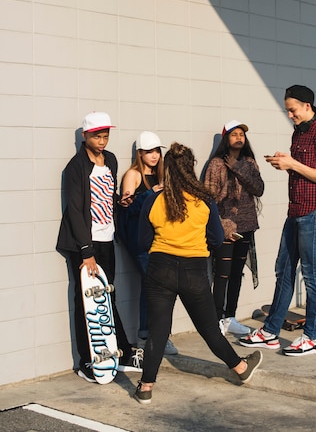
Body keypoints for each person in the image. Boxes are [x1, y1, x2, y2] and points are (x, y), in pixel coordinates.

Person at [133, 142, 263, 405]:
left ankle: (146, 387)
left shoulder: (153, 200)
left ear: (166, 169)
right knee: (209, 330)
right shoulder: (204, 201)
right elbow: (216, 239)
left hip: (159, 270)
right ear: (191, 168)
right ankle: (240, 368)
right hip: (193, 271)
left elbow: (142, 242)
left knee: (158, 331)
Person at [240, 86, 316, 356]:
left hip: (314, 212)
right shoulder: (299, 132)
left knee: (311, 274)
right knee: (283, 270)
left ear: (307, 106)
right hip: (295, 211)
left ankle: (312, 338)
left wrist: (293, 164)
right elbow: (300, 168)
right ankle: (271, 332)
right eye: (287, 111)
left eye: (292, 110)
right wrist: (285, 162)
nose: (290, 115)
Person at [56, 111, 143, 382]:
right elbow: (74, 211)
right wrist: (86, 252)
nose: (102, 140)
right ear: (85, 136)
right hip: (85, 243)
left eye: (106, 135)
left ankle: (120, 351)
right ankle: (86, 361)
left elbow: (105, 196)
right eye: (97, 136)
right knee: (86, 302)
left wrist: (121, 202)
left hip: (106, 238)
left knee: (107, 297)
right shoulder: (75, 167)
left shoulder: (112, 160)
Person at [118, 131, 178, 355]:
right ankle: (152, 337)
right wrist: (149, 194)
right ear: (139, 153)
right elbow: (127, 208)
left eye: (157, 151)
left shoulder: (162, 175)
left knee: (153, 286)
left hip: (161, 238)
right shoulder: (133, 175)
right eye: (149, 151)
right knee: (157, 285)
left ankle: (150, 336)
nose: (154, 156)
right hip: (141, 240)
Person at [204, 120, 264, 337]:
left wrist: (238, 168)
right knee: (222, 275)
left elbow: (259, 189)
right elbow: (207, 198)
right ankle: (216, 320)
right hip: (225, 227)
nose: (239, 137)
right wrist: (220, 226)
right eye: (234, 134)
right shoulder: (216, 164)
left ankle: (230, 317)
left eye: (242, 134)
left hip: (246, 226)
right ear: (226, 139)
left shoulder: (248, 162)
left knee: (237, 274)